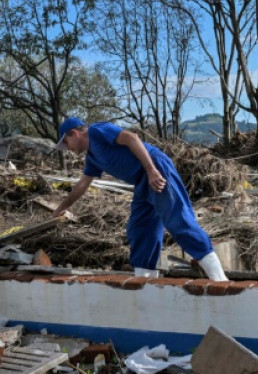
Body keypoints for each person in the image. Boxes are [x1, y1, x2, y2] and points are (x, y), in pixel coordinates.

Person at [52, 117, 228, 281]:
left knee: (176, 219)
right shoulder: (92, 158)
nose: (67, 148)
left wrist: (152, 171)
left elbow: (131, 138)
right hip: (141, 181)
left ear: (74, 133)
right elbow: (82, 185)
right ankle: (145, 280)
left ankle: (219, 279)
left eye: (66, 143)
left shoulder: (97, 131)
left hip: (155, 167)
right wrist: (61, 208)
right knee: (140, 228)